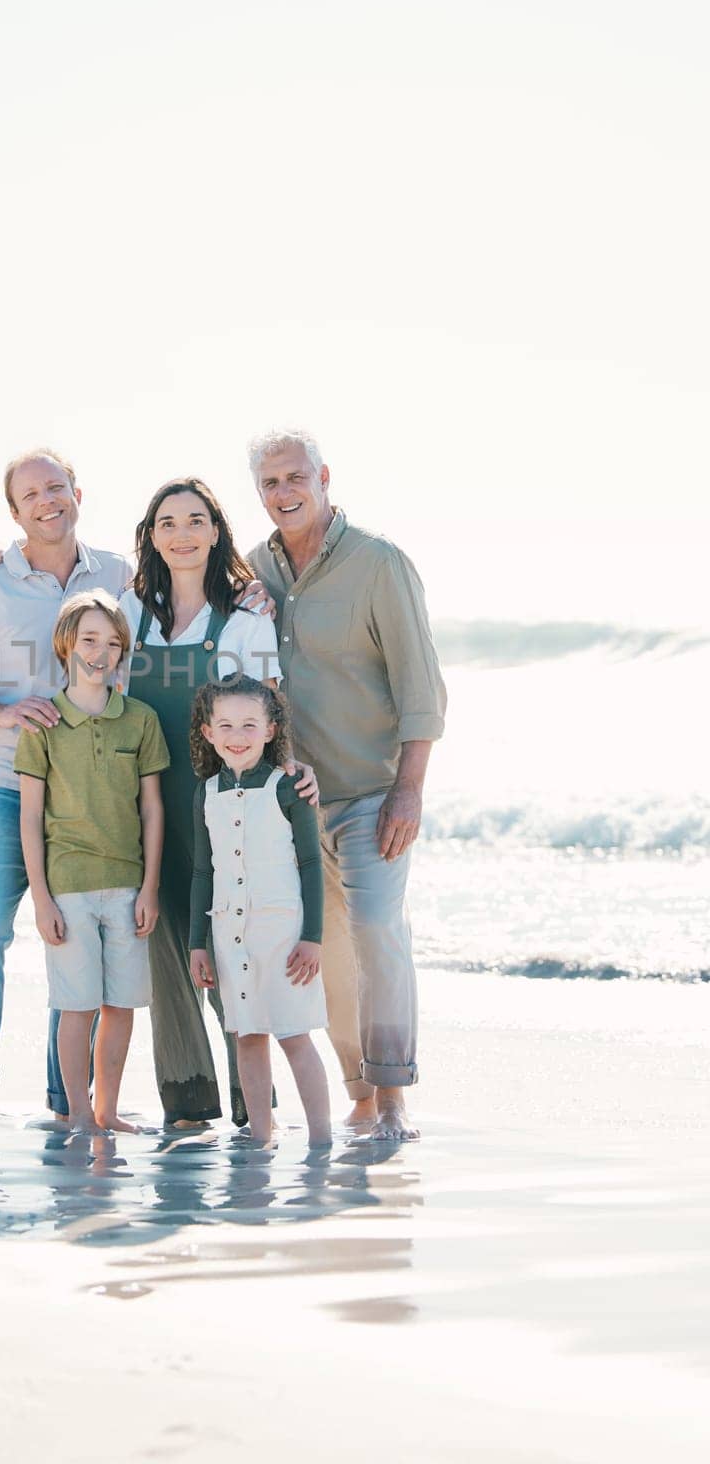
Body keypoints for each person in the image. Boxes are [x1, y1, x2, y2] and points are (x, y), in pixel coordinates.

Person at [247, 429, 447, 1140]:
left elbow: (422, 687)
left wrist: (409, 789)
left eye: (296, 477)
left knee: (374, 930)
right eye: (269, 483)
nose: (284, 493)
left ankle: (392, 1096)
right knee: (325, 952)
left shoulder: (378, 563)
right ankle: (358, 1090)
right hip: (294, 805)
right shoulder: (253, 573)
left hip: (371, 793)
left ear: (324, 477)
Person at [0, 449, 133, 1139]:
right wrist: (5, 713)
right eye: (31, 495)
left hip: (90, 796)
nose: (48, 501)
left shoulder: (119, 574)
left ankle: (66, 1098)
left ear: (77, 492)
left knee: (73, 937)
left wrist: (252, 592)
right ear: (15, 513)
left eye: (57, 487)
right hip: (1, 785)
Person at [118, 477, 315, 1129]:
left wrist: (291, 778)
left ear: (214, 532)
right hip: (142, 807)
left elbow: (272, 718)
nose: (182, 534)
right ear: (151, 536)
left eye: (195, 520)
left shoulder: (248, 619)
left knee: (229, 952)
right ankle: (187, 1102)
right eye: (168, 522)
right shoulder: (129, 612)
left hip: (225, 813)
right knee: (167, 953)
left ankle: (250, 1105)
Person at [15, 592, 168, 1132]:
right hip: (69, 887)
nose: (101, 652)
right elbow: (30, 816)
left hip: (127, 886)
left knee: (122, 1005)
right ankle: (78, 1114)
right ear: (66, 645)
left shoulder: (140, 720)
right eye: (89, 640)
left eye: (112, 643)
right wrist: (40, 898)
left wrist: (150, 888)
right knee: (77, 1008)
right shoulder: (43, 721)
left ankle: (107, 1110)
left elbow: (151, 809)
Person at [188, 674, 331, 1147]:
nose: (237, 736)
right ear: (208, 732)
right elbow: (203, 873)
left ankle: (321, 1138)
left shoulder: (287, 787)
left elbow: (312, 864)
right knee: (246, 1036)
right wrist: (196, 945)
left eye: (250, 724)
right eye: (225, 725)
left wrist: (313, 936)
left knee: (293, 1034)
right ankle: (261, 1137)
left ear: (270, 729)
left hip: (285, 935)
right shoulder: (205, 793)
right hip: (230, 935)